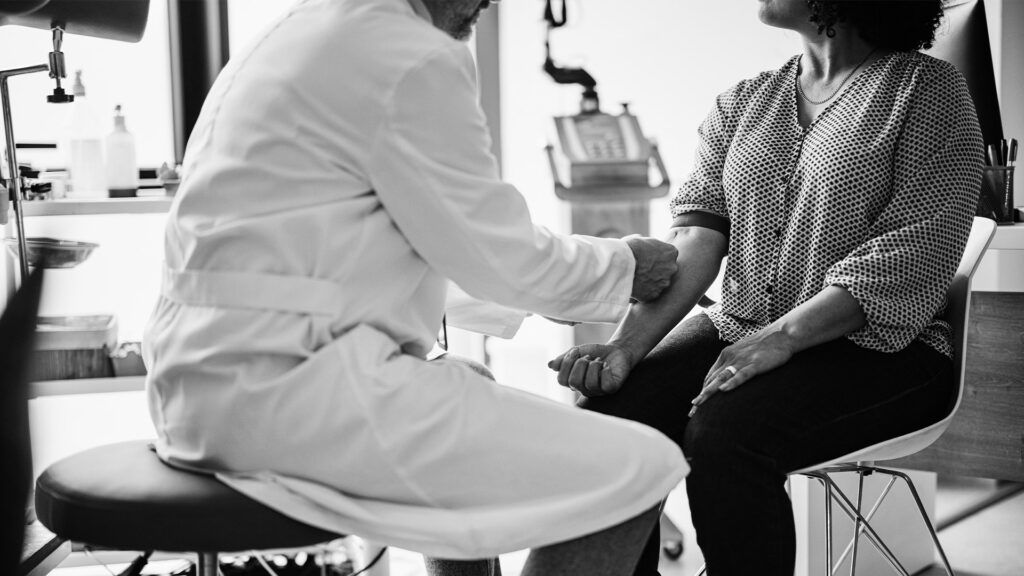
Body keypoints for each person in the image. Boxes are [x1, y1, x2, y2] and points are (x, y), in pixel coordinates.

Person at [143, 0, 689, 574]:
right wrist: (624, 268)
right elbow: (499, 254)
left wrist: (542, 302)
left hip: (194, 387)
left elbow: (353, 256)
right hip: (287, 400)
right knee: (637, 468)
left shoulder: (291, 35)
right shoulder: (413, 55)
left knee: (469, 378)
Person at [549, 1, 984, 575]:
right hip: (741, 324)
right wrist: (625, 348)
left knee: (725, 438)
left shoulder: (928, 90)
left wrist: (781, 337)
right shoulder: (744, 101)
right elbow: (695, 239)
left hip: (882, 345)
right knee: (606, 422)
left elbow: (911, 248)